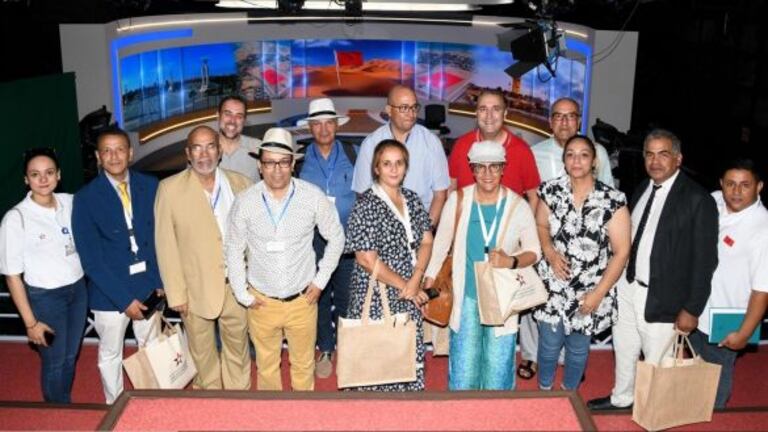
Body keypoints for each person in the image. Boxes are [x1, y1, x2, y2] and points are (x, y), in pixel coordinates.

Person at [588, 129, 719, 410]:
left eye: (663, 154)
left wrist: (692, 309)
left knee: (657, 360)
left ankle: (652, 411)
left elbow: (705, 261)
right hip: (628, 287)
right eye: (649, 154)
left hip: (663, 297)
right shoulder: (642, 188)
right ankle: (622, 397)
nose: (655, 161)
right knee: (624, 348)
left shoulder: (698, 200)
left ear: (678, 158)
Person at [226, 127, 344, 391]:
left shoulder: (312, 196)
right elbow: (233, 249)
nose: (276, 169)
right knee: (266, 367)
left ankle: (302, 413)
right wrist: (242, 294)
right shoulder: (245, 201)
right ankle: (272, 414)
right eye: (269, 162)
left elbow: (337, 238)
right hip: (261, 303)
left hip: (303, 301)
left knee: (303, 366)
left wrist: (320, 282)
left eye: (283, 162)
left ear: (292, 164)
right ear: (259, 166)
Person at [425, 140, 541, 390]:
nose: (487, 173)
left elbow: (534, 251)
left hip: (502, 299)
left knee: (497, 373)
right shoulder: (457, 201)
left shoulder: (518, 206)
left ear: (503, 169)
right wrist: (429, 280)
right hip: (466, 296)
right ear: (473, 170)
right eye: (481, 167)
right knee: (463, 373)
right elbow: (441, 245)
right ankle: (462, 413)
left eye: (494, 166)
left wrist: (511, 261)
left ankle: (496, 413)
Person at [520, 97, 615, 380]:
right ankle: (531, 356)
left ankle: (567, 360)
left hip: (586, 245)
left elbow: (608, 193)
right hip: (543, 237)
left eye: (571, 116)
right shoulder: (535, 152)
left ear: (579, 120)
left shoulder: (598, 152)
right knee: (537, 299)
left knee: (578, 304)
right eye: (558, 116)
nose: (564, 122)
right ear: (550, 121)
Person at [154, 125, 252, 390]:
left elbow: (253, 238)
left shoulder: (242, 184)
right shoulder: (169, 189)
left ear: (219, 152)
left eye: (210, 147)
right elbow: (165, 245)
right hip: (194, 289)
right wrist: (176, 294)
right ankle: (210, 398)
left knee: (238, 348)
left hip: (236, 286)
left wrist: (252, 282)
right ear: (188, 153)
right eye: (197, 148)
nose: (204, 154)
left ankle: (238, 395)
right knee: (202, 352)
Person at [72, 128, 163, 404]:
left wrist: (161, 282)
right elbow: (91, 260)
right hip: (109, 294)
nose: (114, 156)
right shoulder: (85, 198)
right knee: (110, 354)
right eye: (107, 151)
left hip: (149, 286)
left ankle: (153, 401)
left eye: (120, 149)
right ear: (98, 157)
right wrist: (124, 301)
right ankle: (116, 405)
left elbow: (162, 239)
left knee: (152, 348)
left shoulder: (152, 186)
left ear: (130, 153)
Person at [533, 135, 631, 391]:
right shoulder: (550, 191)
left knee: (578, 349)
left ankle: (569, 395)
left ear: (594, 161)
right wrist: (549, 252)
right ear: (564, 160)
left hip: (590, 289)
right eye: (570, 154)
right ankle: (544, 391)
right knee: (548, 345)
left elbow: (621, 253)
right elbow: (541, 225)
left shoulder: (613, 200)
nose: (576, 160)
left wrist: (598, 294)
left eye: (584, 155)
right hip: (554, 285)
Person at [345, 139, 433, 392]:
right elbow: (366, 259)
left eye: (399, 163)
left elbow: (427, 241)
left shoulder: (412, 199)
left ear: (406, 167)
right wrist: (406, 286)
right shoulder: (366, 204)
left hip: (409, 291)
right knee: (376, 364)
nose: (393, 169)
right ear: (376, 168)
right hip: (376, 293)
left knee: (405, 360)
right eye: (386, 164)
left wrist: (415, 279)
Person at [0, 148, 87, 403]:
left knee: (71, 356)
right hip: (46, 299)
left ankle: (64, 403)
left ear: (58, 175)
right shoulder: (15, 218)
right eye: (35, 174)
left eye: (49, 172)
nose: (43, 179)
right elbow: (12, 276)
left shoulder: (70, 202)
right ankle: (56, 410)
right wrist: (30, 323)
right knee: (55, 361)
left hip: (78, 292)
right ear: (26, 179)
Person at [689, 158, 768, 408]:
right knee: (693, 377)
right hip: (695, 309)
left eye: (745, 185)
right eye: (731, 184)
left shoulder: (763, 229)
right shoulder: (713, 201)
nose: (736, 191)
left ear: (759, 187)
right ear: (721, 184)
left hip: (726, 321)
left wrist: (744, 333)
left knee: (715, 389)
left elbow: (762, 291)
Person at [295, 98, 357, 379]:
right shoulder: (298, 160)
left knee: (346, 297)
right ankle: (326, 349)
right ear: (310, 128)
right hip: (313, 243)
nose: (323, 129)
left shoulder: (354, 154)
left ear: (336, 125)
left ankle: (347, 349)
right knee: (318, 297)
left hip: (347, 241)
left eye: (328, 123)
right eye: (317, 124)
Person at [352, 85, 450, 227]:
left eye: (414, 107)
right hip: (382, 228)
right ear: (389, 110)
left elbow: (440, 194)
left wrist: (426, 231)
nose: (411, 113)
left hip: (422, 226)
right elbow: (362, 194)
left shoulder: (431, 142)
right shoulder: (371, 144)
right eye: (404, 108)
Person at [448, 88, 541, 210]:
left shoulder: (522, 151)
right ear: (476, 113)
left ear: (505, 114)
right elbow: (451, 188)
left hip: (508, 222)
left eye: (496, 109)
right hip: (465, 220)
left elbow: (534, 197)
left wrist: (526, 222)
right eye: (483, 109)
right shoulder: (461, 145)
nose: (489, 116)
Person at [217, 95, 262, 182]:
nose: (232, 121)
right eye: (228, 114)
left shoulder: (258, 148)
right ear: (218, 116)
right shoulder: (204, 151)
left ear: (244, 121)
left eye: (239, 116)